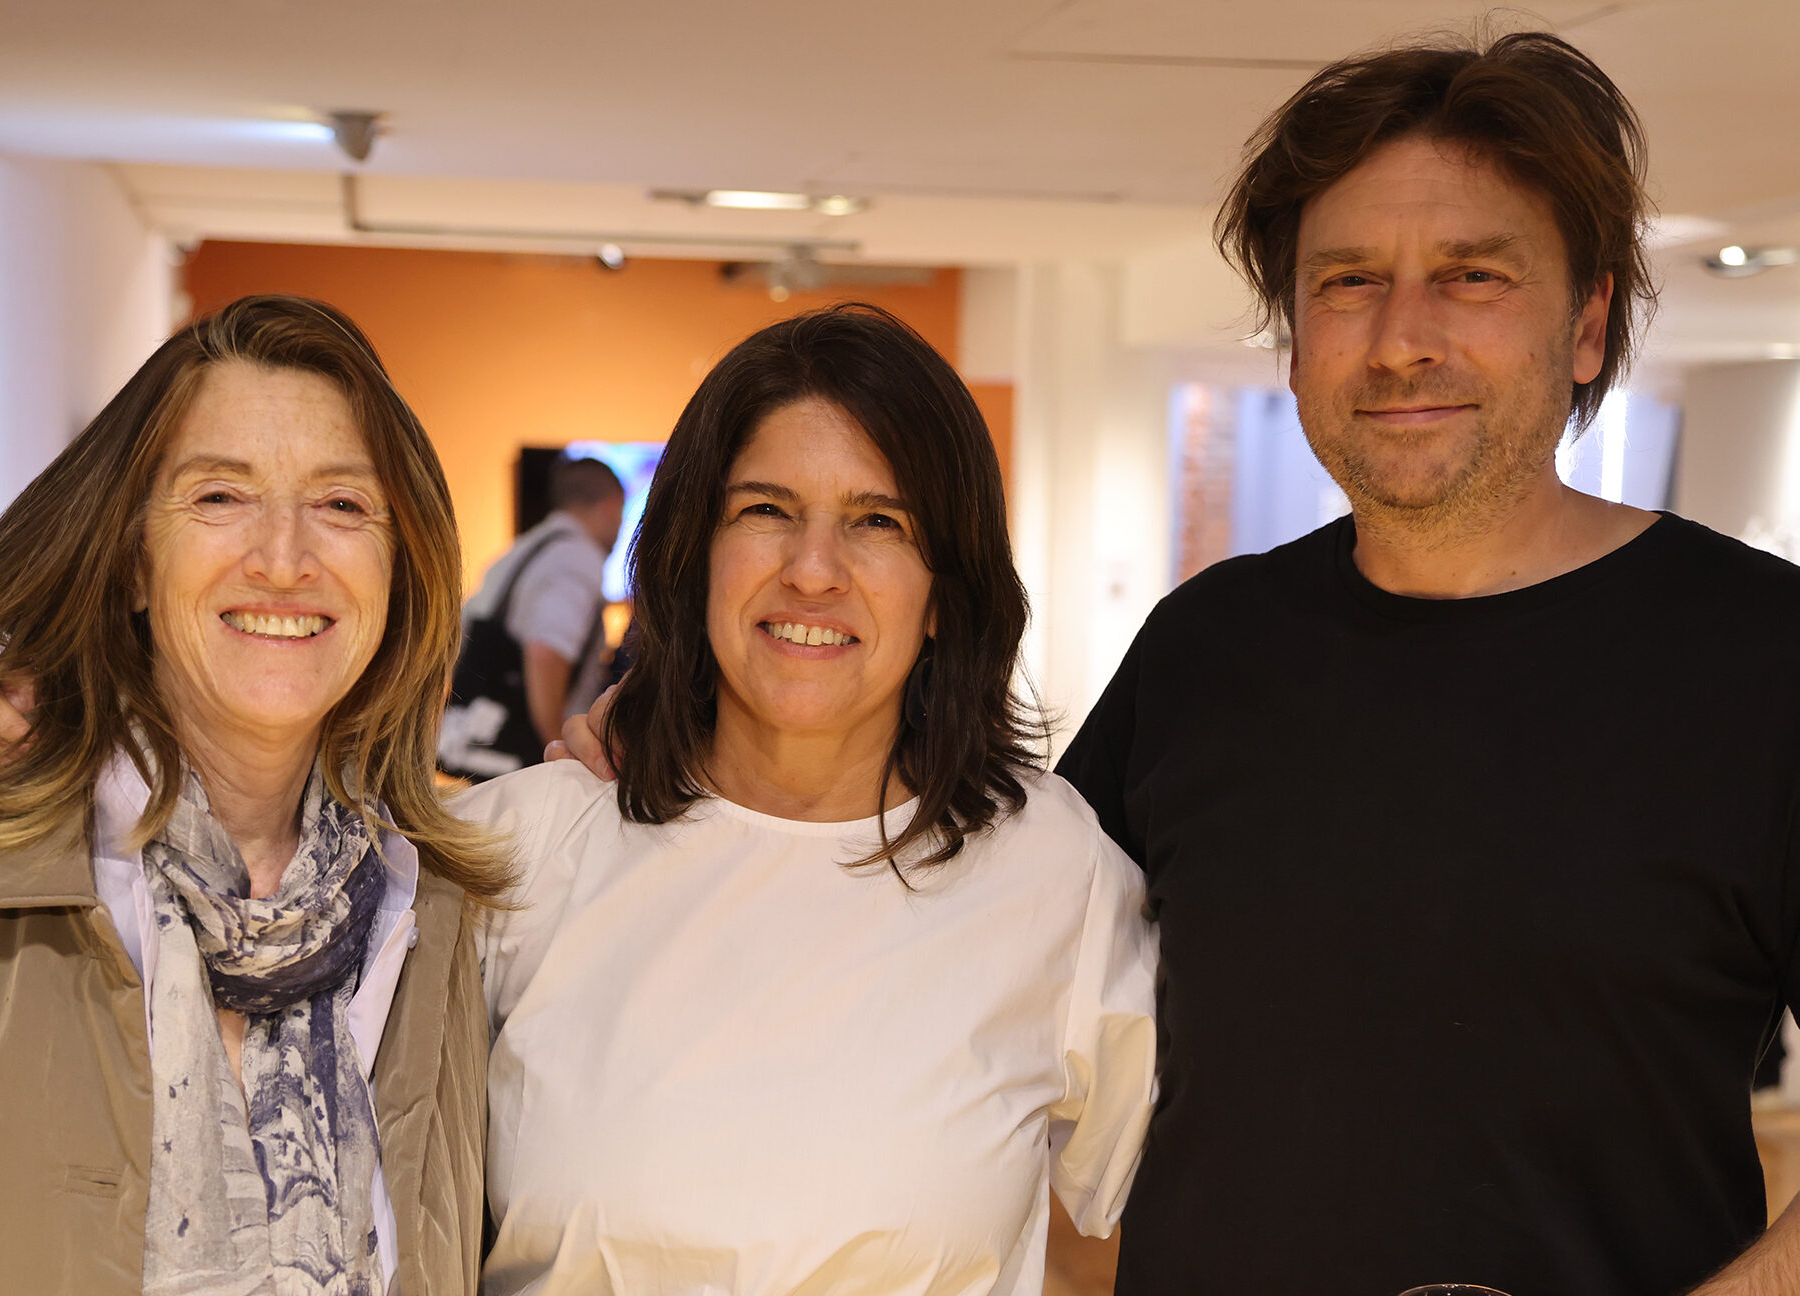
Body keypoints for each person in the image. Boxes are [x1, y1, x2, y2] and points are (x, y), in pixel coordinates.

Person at [1051, 30, 1800, 1296]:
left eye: (1470, 276)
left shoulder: (1763, 660)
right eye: (1345, 281)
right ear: (1293, 337)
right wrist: (691, 763)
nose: (1400, 339)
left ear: (1585, 323)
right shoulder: (1205, 647)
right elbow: (973, 936)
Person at [458, 303, 1157, 1293]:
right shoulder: (515, 851)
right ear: (692, 553)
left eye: (876, 521)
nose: (811, 570)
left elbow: (1132, 1227)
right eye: (764, 511)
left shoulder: (1050, 869)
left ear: (943, 592)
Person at [0, 295, 502, 1294]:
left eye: (340, 505)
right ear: (130, 563)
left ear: (399, 568)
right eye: (219, 498)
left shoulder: (440, 911)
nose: (284, 559)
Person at [437, 455, 623, 780]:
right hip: (523, 762)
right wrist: (559, 750)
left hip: (476, 744)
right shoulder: (577, 557)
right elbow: (546, 651)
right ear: (610, 506)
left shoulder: (519, 550)